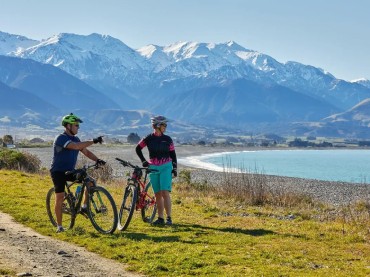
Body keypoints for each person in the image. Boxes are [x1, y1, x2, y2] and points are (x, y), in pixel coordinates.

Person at [50, 113, 106, 233]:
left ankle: (84, 207)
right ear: (68, 126)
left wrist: (97, 160)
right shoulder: (61, 138)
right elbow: (75, 147)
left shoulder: (76, 139)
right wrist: (93, 141)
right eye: (76, 125)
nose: (78, 127)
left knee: (90, 182)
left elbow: (85, 151)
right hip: (58, 172)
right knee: (59, 197)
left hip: (70, 171)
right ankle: (59, 226)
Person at [135, 115, 177, 226]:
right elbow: (138, 148)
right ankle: (160, 218)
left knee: (165, 192)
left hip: (166, 167)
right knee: (157, 194)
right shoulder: (148, 138)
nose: (166, 127)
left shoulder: (168, 139)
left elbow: (173, 154)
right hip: (153, 167)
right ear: (158, 125)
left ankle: (169, 218)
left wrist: (175, 168)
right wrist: (144, 161)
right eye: (164, 124)